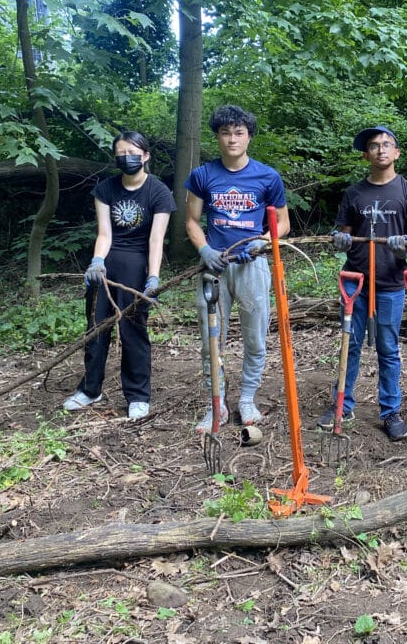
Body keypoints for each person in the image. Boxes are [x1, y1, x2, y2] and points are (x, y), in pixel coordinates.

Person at [318, 125, 407, 441]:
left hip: (391, 282)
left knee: (388, 348)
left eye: (387, 144)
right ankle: (343, 404)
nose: (381, 149)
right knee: (349, 344)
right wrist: (340, 239)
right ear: (366, 155)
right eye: (374, 146)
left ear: (397, 152)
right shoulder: (353, 193)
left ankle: (390, 411)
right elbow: (344, 233)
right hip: (355, 280)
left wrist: (405, 245)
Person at [185, 105, 289, 431]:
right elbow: (191, 220)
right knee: (210, 339)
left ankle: (246, 399)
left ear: (249, 136)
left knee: (255, 338)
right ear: (217, 136)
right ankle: (216, 404)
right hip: (215, 267)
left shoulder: (267, 177)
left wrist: (263, 243)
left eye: (239, 133)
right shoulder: (202, 176)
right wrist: (204, 250)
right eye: (226, 133)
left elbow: (283, 224)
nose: (232, 139)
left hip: (252, 265)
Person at [63, 130, 176, 420]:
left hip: (138, 265)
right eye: (122, 154)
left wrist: (153, 276)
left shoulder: (159, 192)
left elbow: (155, 240)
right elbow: (104, 234)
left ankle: (138, 395)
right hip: (107, 267)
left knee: (132, 329)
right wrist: (96, 261)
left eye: (133, 153)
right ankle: (90, 389)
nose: (127, 159)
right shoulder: (105, 189)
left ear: (146, 156)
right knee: (97, 327)